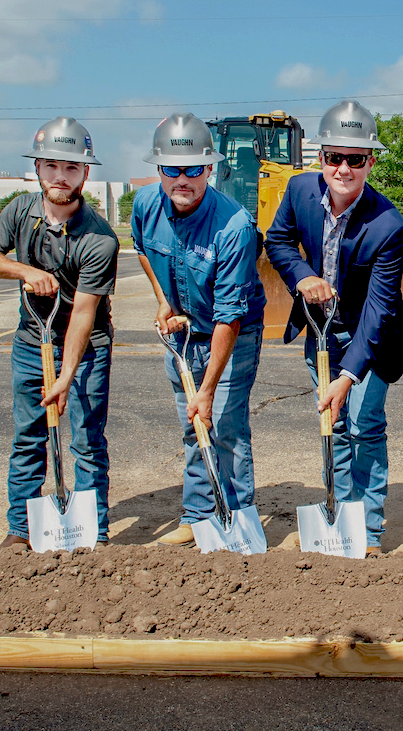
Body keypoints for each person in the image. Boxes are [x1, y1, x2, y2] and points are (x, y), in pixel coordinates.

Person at [265, 100, 403, 557]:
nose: (343, 168)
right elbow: (278, 241)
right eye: (334, 157)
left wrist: (348, 376)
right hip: (320, 331)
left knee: (363, 423)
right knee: (335, 424)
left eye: (355, 159)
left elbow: (379, 308)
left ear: (371, 161)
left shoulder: (388, 225)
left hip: (372, 337)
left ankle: (367, 531)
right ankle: (340, 514)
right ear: (321, 157)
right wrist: (302, 276)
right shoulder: (297, 192)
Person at [0, 117, 118, 547]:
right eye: (51, 165)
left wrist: (67, 375)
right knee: (28, 437)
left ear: (85, 174)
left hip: (86, 346)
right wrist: (24, 270)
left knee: (88, 441)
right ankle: (20, 529)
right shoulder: (21, 209)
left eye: (71, 168)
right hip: (30, 342)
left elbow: (84, 315)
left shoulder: (100, 239)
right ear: (37, 168)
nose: (60, 176)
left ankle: (95, 531)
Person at [132, 112, 267, 546]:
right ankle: (197, 515)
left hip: (234, 330)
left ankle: (238, 518)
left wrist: (207, 389)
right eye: (172, 169)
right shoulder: (145, 205)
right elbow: (142, 251)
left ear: (210, 168)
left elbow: (230, 314)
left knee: (223, 423)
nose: (182, 179)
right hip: (183, 329)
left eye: (193, 169)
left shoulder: (235, 226)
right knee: (192, 424)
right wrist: (163, 300)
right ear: (159, 170)